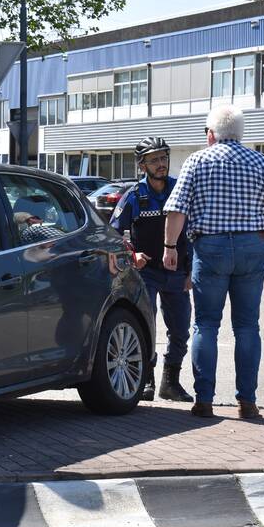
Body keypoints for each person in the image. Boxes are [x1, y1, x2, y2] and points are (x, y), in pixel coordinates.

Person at [162, 105, 264, 419]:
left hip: (210, 247)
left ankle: (204, 399)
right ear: (241, 133)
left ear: (211, 133)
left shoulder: (197, 161)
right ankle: (247, 401)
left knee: (206, 324)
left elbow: (176, 210)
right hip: (252, 246)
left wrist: (169, 248)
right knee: (247, 327)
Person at [110, 137, 193, 403]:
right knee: (146, 325)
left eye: (164, 157)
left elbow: (193, 232)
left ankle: (171, 382)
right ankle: (146, 379)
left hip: (178, 273)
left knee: (181, 329)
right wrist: (132, 254)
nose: (161, 164)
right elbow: (112, 234)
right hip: (146, 274)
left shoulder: (180, 189)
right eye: (154, 159)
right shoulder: (133, 196)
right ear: (142, 165)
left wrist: (191, 271)